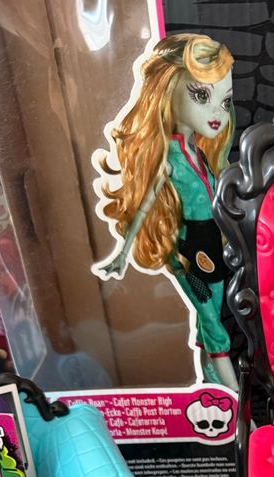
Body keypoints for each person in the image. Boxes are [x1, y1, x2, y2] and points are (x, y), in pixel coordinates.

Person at [96, 33, 238, 390]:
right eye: (202, 96)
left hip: (213, 243)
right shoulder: (169, 158)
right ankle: (237, 400)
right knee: (212, 321)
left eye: (224, 101)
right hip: (189, 250)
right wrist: (122, 254)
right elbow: (144, 205)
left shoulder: (199, 150)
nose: (217, 113)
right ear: (168, 89)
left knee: (210, 316)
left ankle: (210, 384)